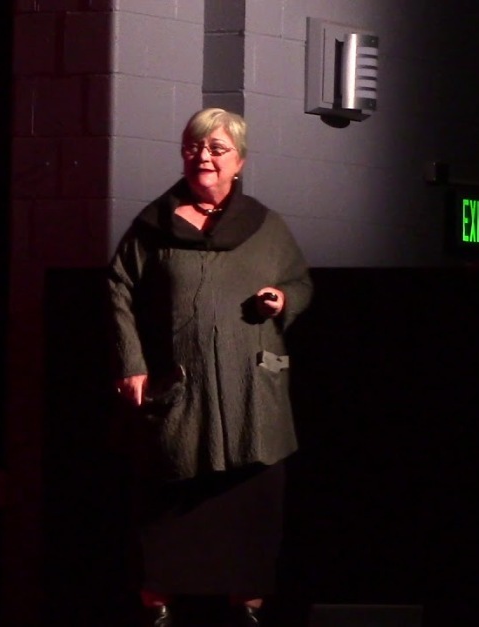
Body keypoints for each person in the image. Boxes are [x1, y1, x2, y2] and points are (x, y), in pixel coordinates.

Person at [107, 108, 313, 627]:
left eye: (217, 149)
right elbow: (119, 291)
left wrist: (282, 298)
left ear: (239, 162)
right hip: (182, 388)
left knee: (250, 502)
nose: (204, 157)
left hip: (250, 391)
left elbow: (301, 282)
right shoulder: (153, 226)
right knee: (170, 494)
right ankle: (158, 603)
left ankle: (248, 604)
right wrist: (131, 363)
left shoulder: (265, 226)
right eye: (194, 147)